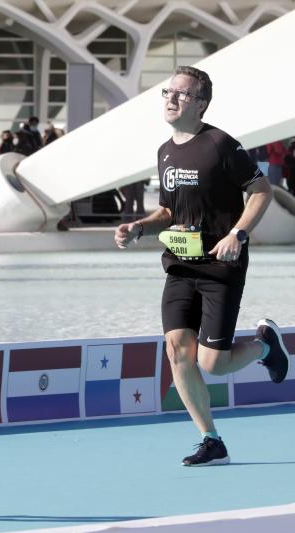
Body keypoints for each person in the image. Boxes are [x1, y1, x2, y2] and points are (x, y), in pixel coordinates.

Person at [115, 66, 290, 467]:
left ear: (201, 104)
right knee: (177, 349)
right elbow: (168, 209)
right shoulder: (164, 152)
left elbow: (260, 191)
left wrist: (239, 235)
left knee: (213, 363)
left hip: (220, 264)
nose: (171, 99)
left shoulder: (220, 145)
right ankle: (211, 439)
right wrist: (139, 227)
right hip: (179, 263)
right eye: (167, 92)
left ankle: (265, 344)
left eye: (182, 94)